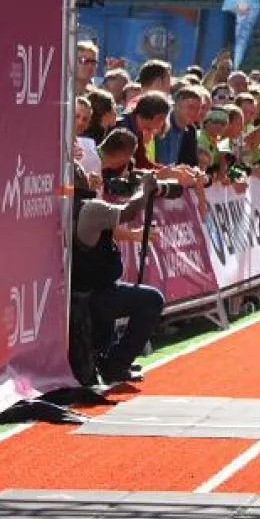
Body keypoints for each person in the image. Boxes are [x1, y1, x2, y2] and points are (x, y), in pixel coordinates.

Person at [70, 163, 165, 385]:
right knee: (151, 300)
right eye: (82, 172)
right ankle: (117, 363)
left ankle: (106, 357)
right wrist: (145, 188)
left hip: (78, 294)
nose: (89, 175)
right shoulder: (90, 209)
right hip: (92, 296)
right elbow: (128, 212)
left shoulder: (67, 208)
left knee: (117, 289)